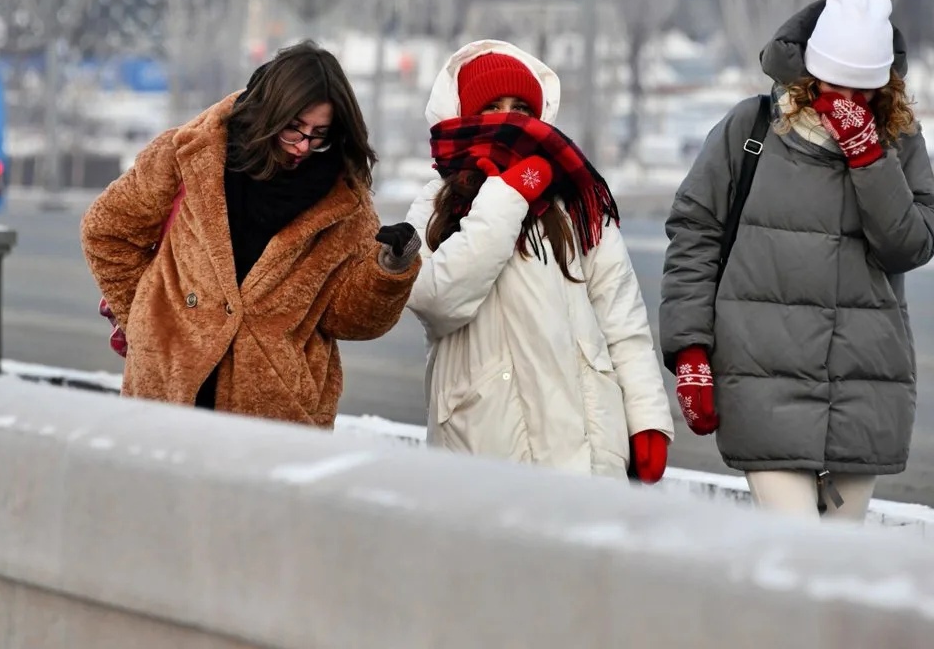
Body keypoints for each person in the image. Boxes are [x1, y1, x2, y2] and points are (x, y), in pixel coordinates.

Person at [660, 0, 934, 520]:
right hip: (765, 384)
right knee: (796, 554)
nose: (852, 103)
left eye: (866, 92)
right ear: (812, 74)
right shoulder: (752, 128)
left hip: (863, 386)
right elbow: (695, 233)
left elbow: (910, 245)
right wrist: (691, 352)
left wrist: (869, 158)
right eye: (839, 87)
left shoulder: (898, 140)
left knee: (836, 575)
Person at [82, 41, 422, 427]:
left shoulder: (345, 201)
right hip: (167, 396)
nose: (304, 146)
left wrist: (389, 271)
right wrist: (150, 324)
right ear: (268, 112)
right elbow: (106, 232)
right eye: (293, 129)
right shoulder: (185, 155)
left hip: (277, 416)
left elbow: (349, 319)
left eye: (319, 134)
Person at [404, 39, 675, 482]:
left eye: (520, 108)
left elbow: (621, 318)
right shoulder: (435, 203)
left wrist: (646, 419)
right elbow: (438, 302)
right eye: (494, 106)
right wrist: (510, 193)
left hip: (586, 435)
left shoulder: (578, 200)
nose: (510, 118)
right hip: (485, 437)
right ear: (466, 116)